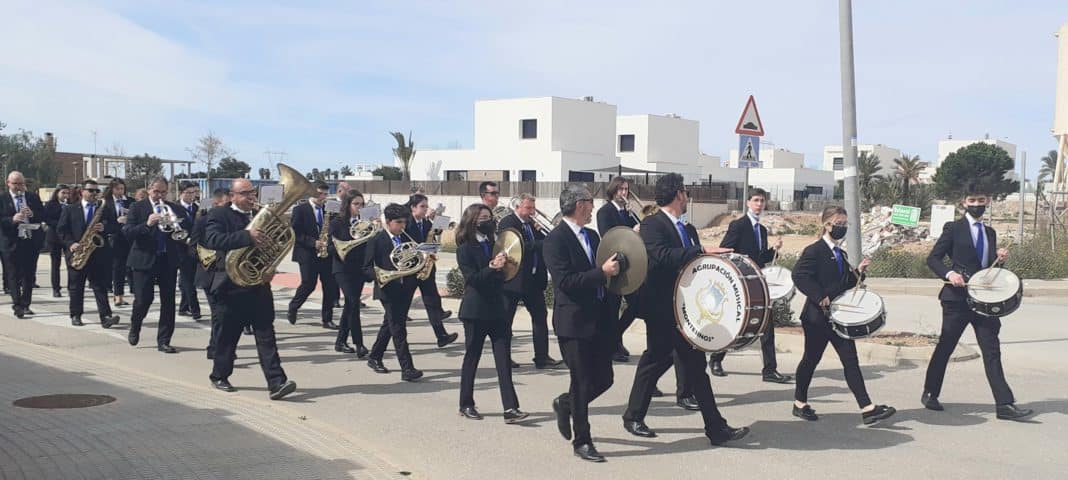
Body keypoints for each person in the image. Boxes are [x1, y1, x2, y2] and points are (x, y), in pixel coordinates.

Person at [621, 173, 750, 446]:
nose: (687, 197)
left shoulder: (687, 229)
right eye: (685, 192)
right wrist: (702, 250)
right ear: (678, 194)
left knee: (695, 367)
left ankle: (716, 429)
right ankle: (633, 416)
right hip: (661, 308)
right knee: (655, 360)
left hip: (686, 310)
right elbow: (662, 256)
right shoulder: (652, 224)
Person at [922, 182, 1032, 420]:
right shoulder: (953, 228)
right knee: (946, 347)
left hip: (984, 302)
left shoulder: (990, 232)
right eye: (972, 201)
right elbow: (933, 259)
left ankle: (1004, 404)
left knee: (992, 350)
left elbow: (987, 267)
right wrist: (950, 274)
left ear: (988, 201)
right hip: (957, 300)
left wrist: (999, 259)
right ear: (964, 203)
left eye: (981, 200)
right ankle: (930, 393)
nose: (976, 205)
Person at [790, 206, 895, 424]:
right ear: (827, 225)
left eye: (845, 224)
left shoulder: (841, 253)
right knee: (811, 360)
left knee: (850, 361)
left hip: (838, 319)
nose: (842, 228)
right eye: (839, 224)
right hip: (817, 318)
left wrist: (859, 272)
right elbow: (799, 275)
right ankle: (799, 403)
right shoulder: (814, 251)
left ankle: (867, 409)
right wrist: (819, 296)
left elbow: (845, 284)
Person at [544, 185, 619, 462]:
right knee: (581, 380)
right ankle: (582, 441)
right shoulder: (555, 240)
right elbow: (565, 282)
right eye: (590, 202)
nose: (593, 207)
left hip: (598, 318)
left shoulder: (592, 235)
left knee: (605, 379)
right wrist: (602, 272)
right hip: (573, 321)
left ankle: (565, 403)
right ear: (578, 205)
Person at [203, 178, 296, 400]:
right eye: (245, 193)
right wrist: (247, 236)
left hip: (258, 285)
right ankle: (219, 375)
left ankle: (277, 382)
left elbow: (274, 246)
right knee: (228, 337)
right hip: (230, 285)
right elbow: (213, 239)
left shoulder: (261, 215)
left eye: (252, 192)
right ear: (232, 196)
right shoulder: (219, 214)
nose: (250, 197)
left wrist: (270, 267)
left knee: (266, 335)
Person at [709, 188, 792, 383]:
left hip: (757, 283)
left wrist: (774, 250)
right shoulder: (738, 225)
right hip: (739, 283)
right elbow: (725, 250)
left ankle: (770, 370)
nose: (759, 204)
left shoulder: (761, 230)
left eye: (762, 201)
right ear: (747, 203)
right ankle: (716, 359)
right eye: (756, 200)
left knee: (766, 325)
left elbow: (761, 258)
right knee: (734, 323)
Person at [455, 203, 528, 423]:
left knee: (503, 359)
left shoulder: (493, 243)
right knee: (472, 357)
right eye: (483, 218)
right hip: (475, 310)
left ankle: (510, 408)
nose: (488, 221)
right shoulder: (465, 248)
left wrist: (506, 266)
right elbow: (472, 279)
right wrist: (492, 268)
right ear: (472, 221)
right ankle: (466, 403)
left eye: (490, 217)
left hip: (497, 308)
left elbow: (503, 275)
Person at [123, 176, 192, 354]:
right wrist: (147, 224)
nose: (160, 195)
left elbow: (186, 232)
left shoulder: (175, 209)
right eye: (156, 191)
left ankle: (164, 340)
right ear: (149, 190)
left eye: (163, 192)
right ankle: (135, 325)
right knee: (143, 299)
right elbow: (128, 232)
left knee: (168, 302)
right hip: (144, 259)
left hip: (167, 260)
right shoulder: (137, 207)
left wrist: (176, 226)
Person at [497, 193, 561, 369]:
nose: (532, 211)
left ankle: (542, 356)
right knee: (506, 320)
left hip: (533, 279)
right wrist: (542, 242)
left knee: (540, 317)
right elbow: (517, 247)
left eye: (533, 208)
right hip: (514, 279)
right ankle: (504, 357)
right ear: (517, 207)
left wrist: (544, 234)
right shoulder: (508, 223)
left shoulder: (532, 225)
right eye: (528, 208)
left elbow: (544, 244)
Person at [364, 203, 423, 381]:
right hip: (387, 289)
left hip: (405, 288)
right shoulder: (377, 239)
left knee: (389, 325)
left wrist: (425, 259)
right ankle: (407, 368)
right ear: (388, 222)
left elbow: (414, 261)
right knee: (398, 328)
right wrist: (382, 275)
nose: (402, 226)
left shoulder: (406, 238)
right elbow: (366, 268)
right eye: (399, 222)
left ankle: (375, 357)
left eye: (404, 222)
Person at [57, 180, 119, 328]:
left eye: (96, 191)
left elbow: (115, 226)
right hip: (78, 253)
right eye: (91, 190)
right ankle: (76, 315)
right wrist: (71, 244)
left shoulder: (103, 209)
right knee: (76, 286)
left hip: (98, 253)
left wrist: (105, 227)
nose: (94, 193)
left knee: (100, 286)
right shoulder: (70, 209)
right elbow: (61, 230)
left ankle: (106, 316)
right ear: (82, 191)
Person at [595, 177, 639, 363]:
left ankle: (614, 338)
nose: (624, 193)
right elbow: (609, 237)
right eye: (620, 189)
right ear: (613, 191)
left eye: (626, 189)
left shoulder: (628, 212)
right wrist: (632, 232)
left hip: (629, 265)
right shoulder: (604, 212)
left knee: (637, 305)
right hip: (612, 263)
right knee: (612, 308)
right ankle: (613, 346)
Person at [404, 194, 457, 347]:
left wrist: (437, 219)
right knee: (403, 304)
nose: (425, 209)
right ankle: (392, 335)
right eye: (422, 206)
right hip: (411, 269)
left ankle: (441, 336)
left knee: (431, 301)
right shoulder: (406, 222)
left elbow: (437, 232)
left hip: (426, 268)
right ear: (413, 208)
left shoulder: (426, 222)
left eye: (426, 206)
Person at [287, 182, 339, 329]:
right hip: (307, 253)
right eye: (319, 194)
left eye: (325, 194)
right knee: (308, 284)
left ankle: (327, 319)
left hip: (326, 253)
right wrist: (312, 242)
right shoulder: (300, 209)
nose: (323, 197)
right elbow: (295, 233)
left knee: (329, 286)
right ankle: (294, 306)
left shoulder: (329, 209)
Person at [329, 190, 371, 357]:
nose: (359, 207)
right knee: (353, 303)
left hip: (358, 269)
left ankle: (340, 341)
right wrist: (348, 244)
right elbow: (330, 247)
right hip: (342, 269)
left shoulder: (365, 223)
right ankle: (359, 344)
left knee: (350, 305)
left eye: (361, 204)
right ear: (347, 205)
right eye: (356, 204)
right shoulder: (337, 222)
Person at [0, 171, 46, 318]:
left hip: (29, 240)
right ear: (8, 183)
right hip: (11, 242)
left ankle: (26, 304)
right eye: (15, 184)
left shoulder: (32, 197)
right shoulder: (2, 199)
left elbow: (43, 215)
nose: (18, 187)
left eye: (21, 183)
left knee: (28, 274)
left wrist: (33, 214)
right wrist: (12, 219)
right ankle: (17, 304)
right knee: (12, 274)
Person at [193, 188, 232, 359]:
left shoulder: (236, 220)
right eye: (227, 203)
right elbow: (192, 248)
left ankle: (217, 347)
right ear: (216, 203)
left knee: (226, 315)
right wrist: (210, 257)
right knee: (218, 313)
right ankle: (216, 349)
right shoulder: (203, 221)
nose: (230, 207)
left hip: (230, 274)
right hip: (210, 274)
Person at [104, 178, 134, 307]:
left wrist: (129, 217)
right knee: (117, 268)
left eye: (122, 189)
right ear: (112, 189)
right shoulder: (106, 203)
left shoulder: (130, 201)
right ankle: (118, 295)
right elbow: (104, 222)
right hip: (114, 238)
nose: (120, 191)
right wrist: (117, 222)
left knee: (129, 267)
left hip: (129, 238)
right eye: (117, 189)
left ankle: (133, 292)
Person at [175, 181, 202, 320]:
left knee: (190, 278)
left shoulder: (197, 208)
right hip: (180, 247)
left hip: (195, 247)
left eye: (194, 193)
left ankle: (183, 307)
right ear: (181, 193)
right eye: (189, 193)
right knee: (188, 278)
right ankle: (194, 308)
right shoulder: (174, 208)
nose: (192, 196)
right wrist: (185, 240)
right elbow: (173, 228)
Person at [44, 184, 70, 298]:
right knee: (55, 264)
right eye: (63, 193)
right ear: (57, 193)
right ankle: (56, 288)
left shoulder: (71, 205)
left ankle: (71, 287)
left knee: (71, 263)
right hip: (54, 237)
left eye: (67, 193)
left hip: (68, 237)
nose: (66, 195)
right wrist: (60, 224)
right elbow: (47, 219)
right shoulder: (50, 204)